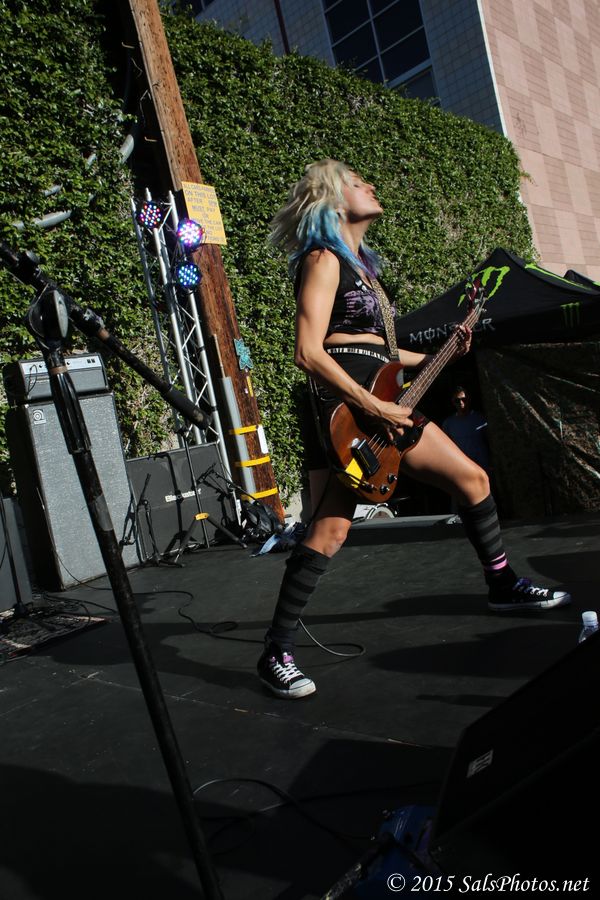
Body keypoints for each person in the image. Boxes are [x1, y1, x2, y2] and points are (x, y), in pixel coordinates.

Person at [258, 159, 571, 700]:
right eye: (358, 182)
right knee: (330, 531)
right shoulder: (322, 259)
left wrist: (440, 354)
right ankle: (275, 651)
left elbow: (380, 350)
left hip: (388, 401)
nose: (370, 185)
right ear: (333, 199)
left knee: (473, 479)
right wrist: (371, 406)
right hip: (348, 408)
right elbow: (308, 351)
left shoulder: (365, 271)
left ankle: (502, 584)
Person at [442, 386, 490, 472]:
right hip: (462, 468)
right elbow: (445, 447)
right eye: (457, 400)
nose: (461, 402)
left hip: (482, 467)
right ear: (453, 402)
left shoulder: (480, 418)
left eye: (464, 399)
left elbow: (489, 440)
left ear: (469, 399)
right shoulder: (448, 423)